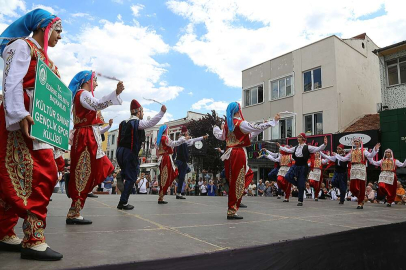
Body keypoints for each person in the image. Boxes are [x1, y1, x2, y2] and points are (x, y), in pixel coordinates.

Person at [0, 9, 63, 260]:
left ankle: (4, 232)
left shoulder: (47, 60)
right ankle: (33, 238)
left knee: (17, 178)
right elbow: (11, 81)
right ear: (43, 27)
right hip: (26, 119)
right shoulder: (21, 46)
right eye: (57, 30)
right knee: (41, 175)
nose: (60, 36)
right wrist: (18, 114)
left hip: (41, 122)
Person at [66, 70, 124, 225]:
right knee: (84, 172)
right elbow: (98, 104)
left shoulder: (81, 96)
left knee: (95, 169)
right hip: (85, 137)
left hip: (88, 135)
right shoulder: (83, 94)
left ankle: (75, 206)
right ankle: (74, 211)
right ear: (87, 81)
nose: (96, 84)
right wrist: (115, 93)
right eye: (95, 81)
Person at [213, 101, 279, 219]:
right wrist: (272, 121)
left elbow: (222, 136)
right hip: (238, 153)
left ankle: (235, 202)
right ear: (238, 111)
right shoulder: (240, 123)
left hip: (229, 153)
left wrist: (216, 128)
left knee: (238, 178)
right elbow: (255, 128)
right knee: (238, 180)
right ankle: (232, 209)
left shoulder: (228, 125)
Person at [116, 100, 166, 210]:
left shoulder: (123, 122)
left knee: (128, 172)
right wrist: (161, 112)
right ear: (138, 112)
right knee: (132, 177)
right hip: (129, 152)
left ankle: (122, 174)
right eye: (142, 111)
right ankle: (123, 202)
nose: (143, 114)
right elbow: (150, 123)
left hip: (120, 151)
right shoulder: (136, 122)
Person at [278, 133, 327, 206]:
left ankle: (300, 200)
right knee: (287, 176)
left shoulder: (307, 147)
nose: (298, 138)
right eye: (298, 137)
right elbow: (288, 150)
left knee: (301, 184)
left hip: (303, 166)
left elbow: (317, 149)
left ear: (303, 139)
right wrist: (280, 147)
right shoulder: (296, 147)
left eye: (300, 137)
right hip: (296, 165)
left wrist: (324, 144)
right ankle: (298, 184)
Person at [334, 139, 379, 209]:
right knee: (352, 187)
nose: (356, 143)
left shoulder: (364, 150)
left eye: (357, 142)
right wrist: (336, 155)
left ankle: (360, 203)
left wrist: (375, 150)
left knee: (361, 186)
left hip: (361, 169)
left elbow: (370, 155)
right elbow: (344, 159)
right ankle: (361, 198)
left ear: (360, 143)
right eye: (355, 142)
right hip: (354, 169)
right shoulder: (352, 151)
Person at [156, 125, 190, 204]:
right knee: (167, 176)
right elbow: (174, 143)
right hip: (166, 158)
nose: (168, 130)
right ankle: (161, 197)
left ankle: (161, 196)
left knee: (165, 176)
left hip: (163, 158)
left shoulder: (160, 139)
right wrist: (184, 139)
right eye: (168, 129)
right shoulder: (165, 138)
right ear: (165, 130)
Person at [173, 126, 208, 199]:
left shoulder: (186, 140)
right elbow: (182, 139)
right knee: (182, 177)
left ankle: (178, 177)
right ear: (185, 132)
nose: (188, 133)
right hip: (181, 160)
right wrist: (186, 138)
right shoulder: (181, 139)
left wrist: (203, 137)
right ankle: (178, 193)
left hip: (183, 161)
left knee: (187, 170)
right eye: (187, 132)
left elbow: (195, 139)